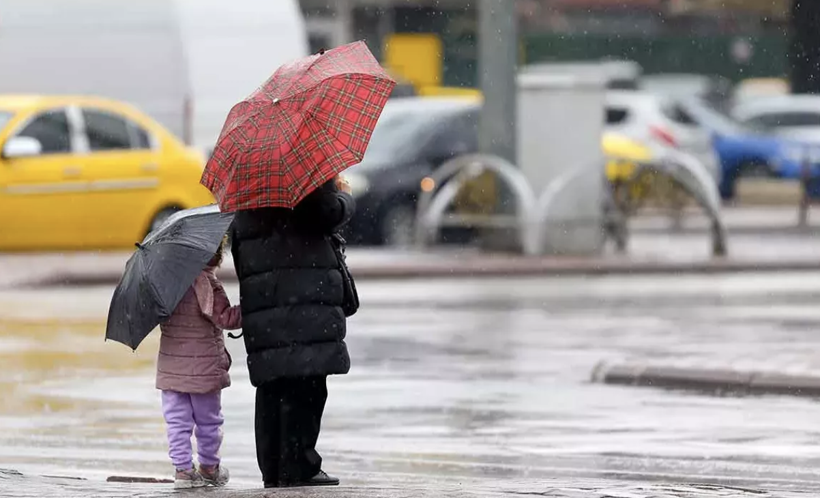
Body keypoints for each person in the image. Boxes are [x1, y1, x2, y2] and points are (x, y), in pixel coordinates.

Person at [230, 175, 355, 488]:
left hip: (265, 295)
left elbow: (239, 241)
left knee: (273, 382)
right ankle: (298, 465)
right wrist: (344, 198)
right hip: (305, 290)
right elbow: (324, 213)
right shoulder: (305, 169)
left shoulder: (246, 179)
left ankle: (273, 468)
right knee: (308, 381)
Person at [156, 237, 242, 489]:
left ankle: (182, 470)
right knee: (208, 421)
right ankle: (208, 467)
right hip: (203, 371)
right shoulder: (208, 284)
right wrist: (248, 310)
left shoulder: (166, 285)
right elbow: (225, 318)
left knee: (177, 421)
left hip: (171, 370)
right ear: (215, 257)